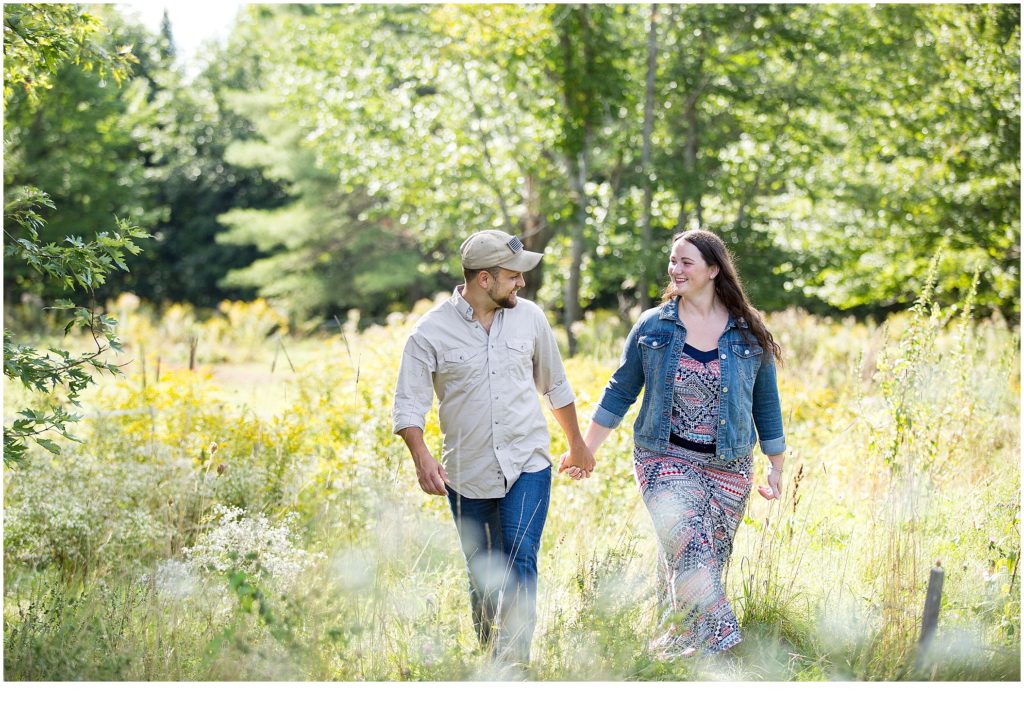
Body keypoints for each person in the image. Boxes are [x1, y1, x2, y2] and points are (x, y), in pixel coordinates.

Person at [561, 229, 785, 657]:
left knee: (698, 562)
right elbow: (620, 391)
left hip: (729, 466)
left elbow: (766, 402)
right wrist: (583, 448)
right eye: (673, 261)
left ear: (713, 270)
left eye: (687, 263)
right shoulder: (654, 325)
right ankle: (725, 648)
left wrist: (776, 465)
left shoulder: (747, 331)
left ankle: (673, 652)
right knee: (690, 548)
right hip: (664, 459)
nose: (675, 270)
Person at [393, 229, 595, 667]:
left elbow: (555, 385)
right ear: (484, 279)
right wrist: (421, 456)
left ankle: (515, 664)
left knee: (521, 557)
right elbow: (408, 404)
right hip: (468, 472)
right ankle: (488, 649)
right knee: (483, 575)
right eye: (513, 275)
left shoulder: (530, 318)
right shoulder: (429, 333)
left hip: (528, 462)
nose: (521, 283)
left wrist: (577, 445)